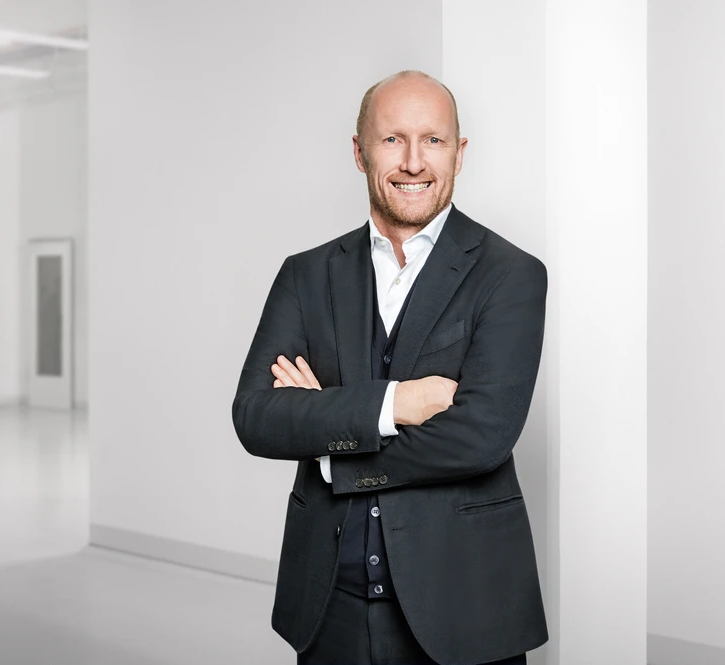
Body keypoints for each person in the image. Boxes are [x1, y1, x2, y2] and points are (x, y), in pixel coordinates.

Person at [233, 70, 548, 665]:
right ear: (359, 152)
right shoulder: (306, 274)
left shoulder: (511, 274)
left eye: (433, 140)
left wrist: (330, 445)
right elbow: (257, 416)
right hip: (329, 607)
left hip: (465, 606)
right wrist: (396, 404)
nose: (413, 162)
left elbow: (483, 435)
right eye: (392, 139)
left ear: (459, 152)